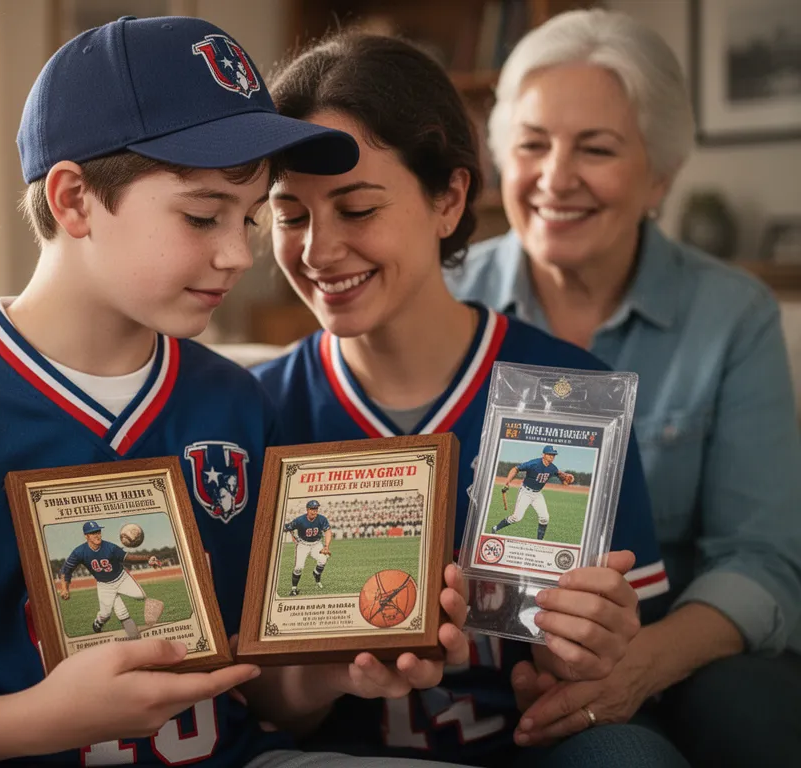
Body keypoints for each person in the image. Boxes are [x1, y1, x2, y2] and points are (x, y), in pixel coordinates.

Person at [0, 16, 470, 768]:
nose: (240, 254)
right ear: (73, 200)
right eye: (202, 215)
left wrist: (331, 671)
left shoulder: (236, 400)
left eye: (251, 217)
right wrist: (45, 717)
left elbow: (264, 691)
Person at [253, 31, 686, 768]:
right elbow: (257, 704)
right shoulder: (256, 409)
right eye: (290, 215)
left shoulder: (568, 393)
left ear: (450, 198)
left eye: (356, 210)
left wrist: (596, 650)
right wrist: (325, 675)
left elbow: (613, 674)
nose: (318, 251)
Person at [445, 9, 801, 766]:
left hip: (682, 655)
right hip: (482, 669)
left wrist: (640, 666)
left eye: (596, 149)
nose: (555, 178)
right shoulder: (446, 299)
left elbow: (763, 558)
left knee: (756, 713)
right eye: (532, 145)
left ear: (660, 175)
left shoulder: (732, 314)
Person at [57, 520, 162, 637]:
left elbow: (128, 557)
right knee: (106, 614)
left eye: (98, 531)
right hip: (105, 585)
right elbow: (66, 570)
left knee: (141, 595)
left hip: (122, 578)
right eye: (93, 533)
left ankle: (134, 637)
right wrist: (64, 588)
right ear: (86, 536)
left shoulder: (110, 547)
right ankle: (99, 622)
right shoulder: (79, 552)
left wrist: (148, 558)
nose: (97, 535)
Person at [492, 445, 575, 540]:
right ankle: (495, 528)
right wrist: (507, 482)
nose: (552, 456)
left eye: (554, 455)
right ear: (543, 454)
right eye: (549, 454)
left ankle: (539, 542)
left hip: (537, 494)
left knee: (544, 518)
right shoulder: (534, 464)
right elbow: (515, 469)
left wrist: (568, 478)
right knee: (516, 517)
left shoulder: (553, 468)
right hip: (526, 492)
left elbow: (563, 480)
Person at [284, 499, 333, 594]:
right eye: (312, 509)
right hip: (303, 545)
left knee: (323, 560)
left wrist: (326, 546)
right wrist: (292, 535)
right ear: (307, 510)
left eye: (316, 509)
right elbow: (287, 527)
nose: (314, 511)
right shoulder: (300, 520)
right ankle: (294, 589)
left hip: (316, 544)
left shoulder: (322, 519)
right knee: (298, 567)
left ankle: (316, 574)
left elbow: (328, 531)